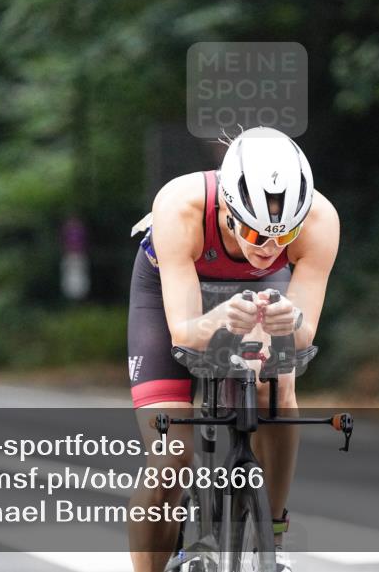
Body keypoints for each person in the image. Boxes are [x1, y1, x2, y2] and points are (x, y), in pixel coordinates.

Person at [127, 126, 340, 572]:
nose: (269, 248)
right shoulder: (179, 206)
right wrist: (218, 318)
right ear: (226, 209)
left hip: (259, 293)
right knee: (171, 461)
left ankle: (272, 538)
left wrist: (292, 321)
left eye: (283, 237)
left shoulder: (320, 220)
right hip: (172, 290)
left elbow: (304, 336)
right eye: (257, 234)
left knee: (275, 391)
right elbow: (184, 332)